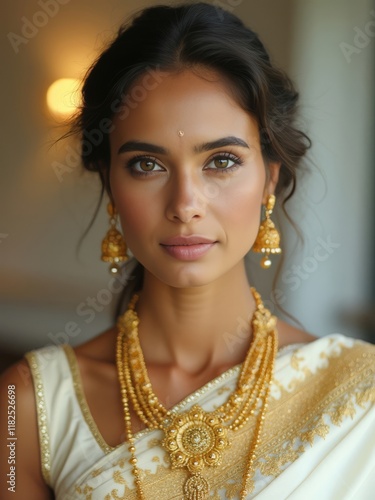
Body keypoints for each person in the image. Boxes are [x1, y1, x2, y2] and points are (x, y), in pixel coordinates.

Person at [1, 3, 374, 499]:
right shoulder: (25, 405)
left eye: (221, 161)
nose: (185, 205)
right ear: (110, 185)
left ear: (270, 177)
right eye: (146, 165)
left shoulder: (359, 394)